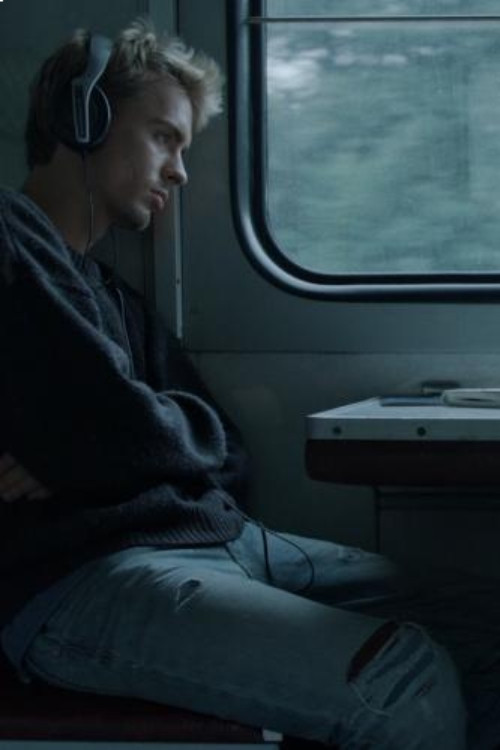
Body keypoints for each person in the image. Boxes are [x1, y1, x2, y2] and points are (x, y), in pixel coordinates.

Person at [0, 17, 497, 749]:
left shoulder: (111, 297)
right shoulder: (12, 240)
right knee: (403, 683)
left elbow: (223, 450)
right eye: (164, 137)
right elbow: (119, 426)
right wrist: (113, 437)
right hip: (78, 580)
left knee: (484, 626)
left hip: (221, 542)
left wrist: (86, 447)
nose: (180, 171)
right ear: (85, 121)